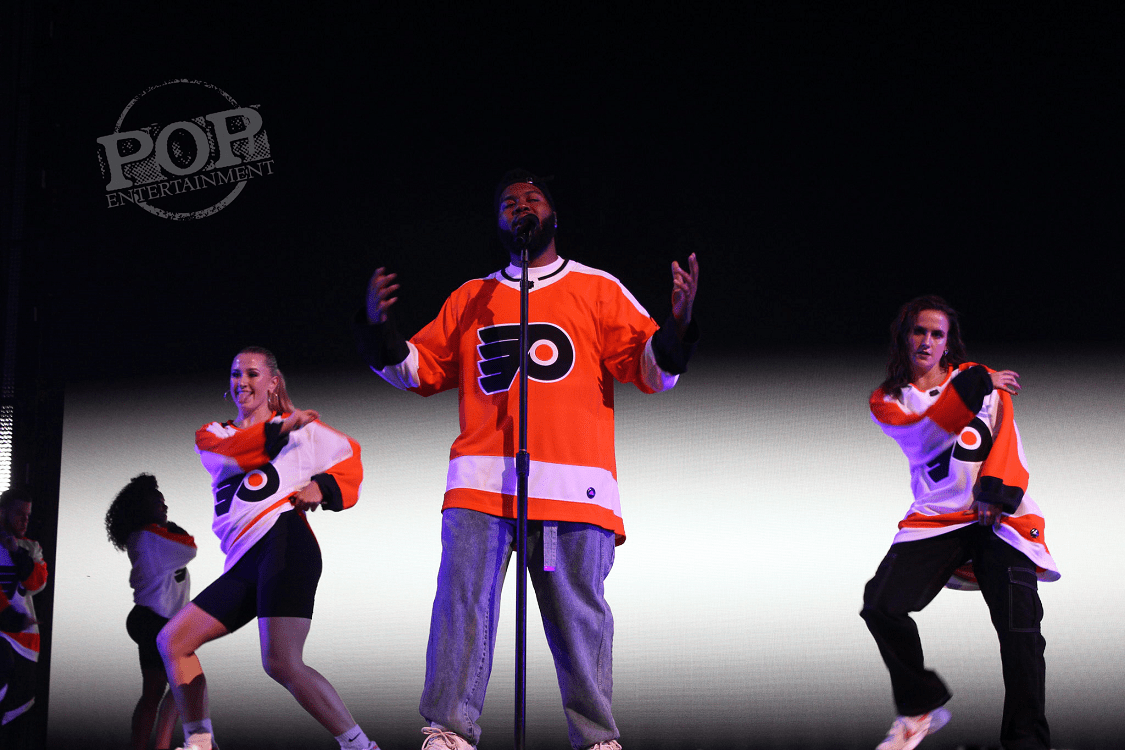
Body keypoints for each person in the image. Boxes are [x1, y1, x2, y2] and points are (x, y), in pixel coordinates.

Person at [356, 169, 700, 750]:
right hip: (482, 484)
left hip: (573, 487)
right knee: (461, 607)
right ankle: (449, 731)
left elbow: (650, 370)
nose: (521, 205)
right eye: (509, 202)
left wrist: (680, 322)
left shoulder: (597, 288)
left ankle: (597, 739)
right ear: (497, 222)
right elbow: (419, 369)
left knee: (579, 618)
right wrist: (377, 326)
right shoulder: (473, 297)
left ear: (553, 216)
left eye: (533, 198)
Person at [862, 295, 1059, 750]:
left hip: (1000, 517)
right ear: (904, 336)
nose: (927, 341)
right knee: (881, 604)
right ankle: (919, 707)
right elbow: (926, 435)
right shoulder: (888, 399)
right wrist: (978, 384)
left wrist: (995, 492)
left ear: (948, 342)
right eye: (919, 331)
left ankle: (1027, 742)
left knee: (1022, 633)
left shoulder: (977, 377)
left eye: (937, 334)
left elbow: (1007, 439)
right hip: (937, 519)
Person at [156, 346, 378, 750]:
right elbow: (229, 455)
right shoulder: (215, 433)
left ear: (273, 382)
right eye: (235, 373)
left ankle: (360, 746)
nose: (241, 382)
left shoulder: (303, 431)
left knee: (281, 662)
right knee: (174, 641)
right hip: (243, 559)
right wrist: (281, 429)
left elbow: (349, 457)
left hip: (284, 540)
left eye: (252, 374)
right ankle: (201, 742)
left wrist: (323, 486)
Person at [106, 473, 197, 750]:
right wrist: (169, 525)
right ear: (142, 508)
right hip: (155, 621)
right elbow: (189, 547)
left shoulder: (146, 536)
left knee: (158, 692)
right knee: (186, 687)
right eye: (158, 503)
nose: (165, 507)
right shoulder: (149, 536)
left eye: (164, 503)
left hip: (153, 620)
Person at [0, 487, 48, 728]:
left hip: (25, 640)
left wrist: (16, 552)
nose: (24, 520)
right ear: (2, 513)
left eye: (28, 515)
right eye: (19, 513)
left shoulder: (31, 547)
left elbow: (37, 583)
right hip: (4, 631)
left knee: (20, 702)